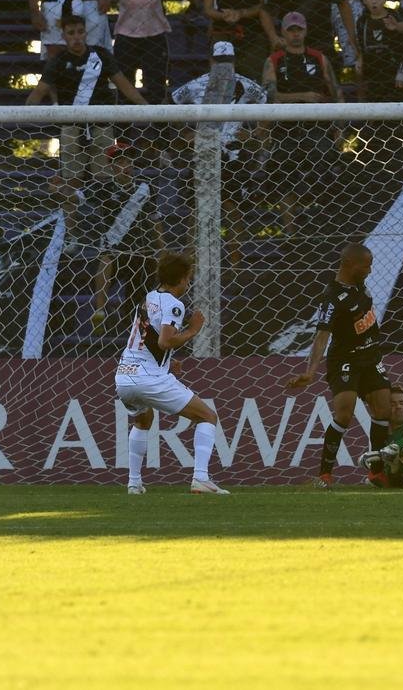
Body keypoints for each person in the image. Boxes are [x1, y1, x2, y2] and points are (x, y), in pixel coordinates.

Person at [116, 252, 229, 495]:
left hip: (125, 374)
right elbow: (166, 341)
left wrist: (167, 363)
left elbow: (149, 340)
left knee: (142, 420)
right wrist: (193, 329)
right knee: (207, 416)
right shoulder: (174, 305)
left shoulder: (149, 297)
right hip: (148, 378)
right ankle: (201, 478)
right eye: (188, 278)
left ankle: (134, 483)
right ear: (180, 280)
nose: (188, 283)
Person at [287, 243, 396, 489]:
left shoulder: (358, 284)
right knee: (344, 413)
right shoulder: (331, 299)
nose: (370, 270)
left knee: (383, 410)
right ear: (349, 264)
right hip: (345, 360)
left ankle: (376, 473)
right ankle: (325, 475)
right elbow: (322, 336)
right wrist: (310, 371)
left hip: (371, 357)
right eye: (366, 265)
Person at [171, 41, 266, 267]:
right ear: (211, 61)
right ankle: (190, 264)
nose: (224, 66)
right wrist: (186, 133)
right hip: (202, 153)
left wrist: (253, 135)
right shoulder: (197, 85)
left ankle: (235, 263)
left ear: (234, 61)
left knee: (232, 209)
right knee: (196, 211)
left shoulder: (246, 85)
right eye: (220, 61)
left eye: (228, 61)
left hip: (233, 156)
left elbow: (266, 104)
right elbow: (173, 102)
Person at [25, 15, 148, 191]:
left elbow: (125, 86)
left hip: (101, 125)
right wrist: (21, 112)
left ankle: (104, 218)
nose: (76, 37)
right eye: (71, 33)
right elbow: (38, 92)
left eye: (80, 32)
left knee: (104, 183)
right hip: (71, 125)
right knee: (70, 184)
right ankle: (71, 219)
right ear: (64, 36)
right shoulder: (58, 61)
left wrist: (148, 108)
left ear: (85, 33)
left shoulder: (101, 55)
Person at [81, 0, 198, 106]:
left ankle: (160, 130)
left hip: (155, 37)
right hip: (127, 38)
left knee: (156, 89)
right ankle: (125, 132)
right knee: (125, 90)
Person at [262, 12, 342, 237]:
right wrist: (303, 96)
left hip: (318, 129)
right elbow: (269, 96)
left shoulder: (320, 58)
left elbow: (335, 93)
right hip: (285, 130)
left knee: (326, 174)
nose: (295, 34)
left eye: (299, 30)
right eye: (291, 30)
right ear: (283, 33)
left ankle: (322, 229)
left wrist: (338, 127)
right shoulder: (274, 60)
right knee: (283, 180)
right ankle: (291, 232)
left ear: (305, 31)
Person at [87, 142, 165, 336]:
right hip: (115, 248)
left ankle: (134, 320)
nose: (126, 165)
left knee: (143, 279)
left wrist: (162, 247)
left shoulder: (145, 188)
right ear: (112, 165)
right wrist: (63, 191)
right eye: (121, 161)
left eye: (128, 161)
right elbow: (76, 198)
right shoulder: (102, 188)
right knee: (106, 259)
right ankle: (100, 311)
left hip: (139, 248)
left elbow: (155, 219)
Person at [354, 0, 403, 100]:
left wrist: (402, 73)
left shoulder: (394, 18)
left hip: (392, 69)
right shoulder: (362, 21)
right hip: (371, 72)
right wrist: (360, 59)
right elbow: (360, 44)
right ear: (364, 0)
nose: (374, 2)